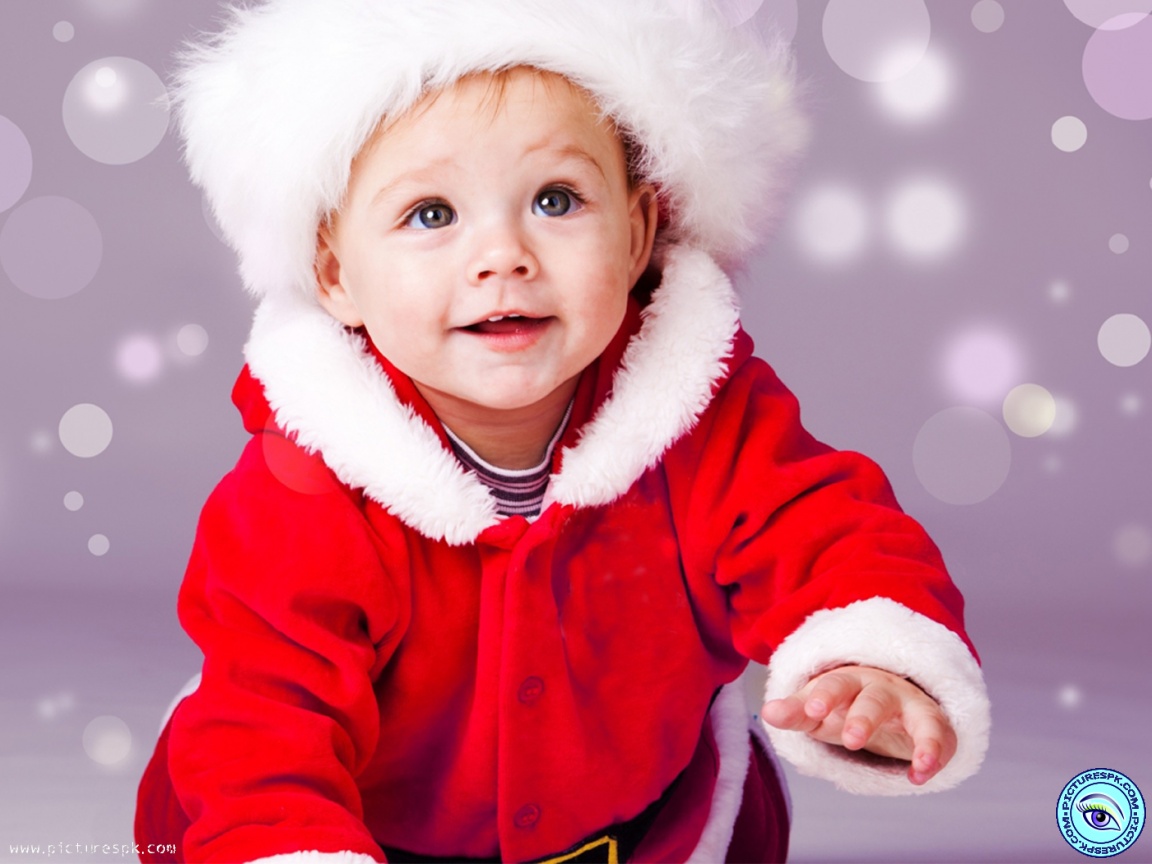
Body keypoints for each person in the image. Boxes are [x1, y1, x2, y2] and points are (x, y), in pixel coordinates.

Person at [135, 1, 991, 862]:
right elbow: (268, 723)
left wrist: (871, 659)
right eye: (431, 214)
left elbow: (824, 530)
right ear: (335, 275)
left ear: (637, 236)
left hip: (639, 827)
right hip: (377, 838)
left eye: (556, 199)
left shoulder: (703, 422)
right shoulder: (302, 494)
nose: (504, 255)